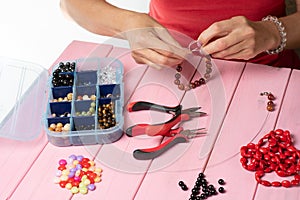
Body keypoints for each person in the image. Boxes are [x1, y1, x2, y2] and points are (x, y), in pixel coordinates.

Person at [60, 0, 300, 68]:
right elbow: (71, 4)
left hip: (271, 75)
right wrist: (129, 24)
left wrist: (272, 32)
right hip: (168, 73)